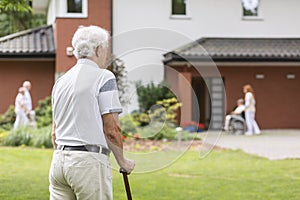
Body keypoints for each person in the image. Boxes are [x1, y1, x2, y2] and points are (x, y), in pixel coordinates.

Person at [49, 25, 135, 200]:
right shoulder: (104, 77)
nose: (106, 55)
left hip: (59, 163)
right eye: (106, 49)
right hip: (88, 164)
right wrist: (122, 161)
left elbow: (54, 132)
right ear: (98, 49)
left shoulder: (61, 82)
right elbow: (111, 129)